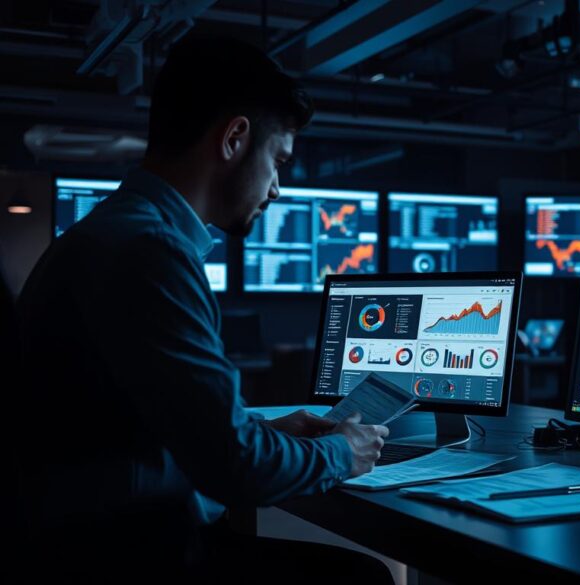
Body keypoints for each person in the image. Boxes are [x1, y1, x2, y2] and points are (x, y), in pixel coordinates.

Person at [14, 36, 392, 581]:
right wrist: (342, 452)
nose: (276, 189)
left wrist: (270, 431)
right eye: (277, 161)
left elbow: (157, 430)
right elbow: (234, 467)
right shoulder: (151, 252)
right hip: (126, 554)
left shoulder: (109, 232)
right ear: (234, 138)